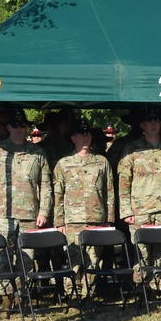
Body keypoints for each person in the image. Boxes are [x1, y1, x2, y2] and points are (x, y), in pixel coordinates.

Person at [0, 109, 53, 314]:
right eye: (15, 125)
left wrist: (44, 211)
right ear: (8, 127)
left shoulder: (36, 152)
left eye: (23, 125)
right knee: (3, 257)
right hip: (3, 213)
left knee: (26, 259)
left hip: (30, 213)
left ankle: (23, 296)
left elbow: (46, 184)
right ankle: (5, 297)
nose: (19, 129)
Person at [117, 106, 161, 293]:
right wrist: (126, 211)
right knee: (141, 250)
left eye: (156, 121)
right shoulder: (131, 150)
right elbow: (124, 183)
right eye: (149, 121)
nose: (153, 124)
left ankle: (156, 285)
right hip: (139, 209)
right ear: (142, 125)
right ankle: (140, 287)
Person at [54, 121, 115, 285]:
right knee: (73, 260)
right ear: (73, 138)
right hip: (73, 220)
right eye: (81, 134)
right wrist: (59, 221)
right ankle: (73, 294)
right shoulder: (64, 163)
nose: (86, 137)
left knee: (93, 261)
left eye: (88, 133)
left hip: (97, 218)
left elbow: (109, 192)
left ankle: (89, 293)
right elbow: (58, 194)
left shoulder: (101, 162)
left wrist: (109, 219)